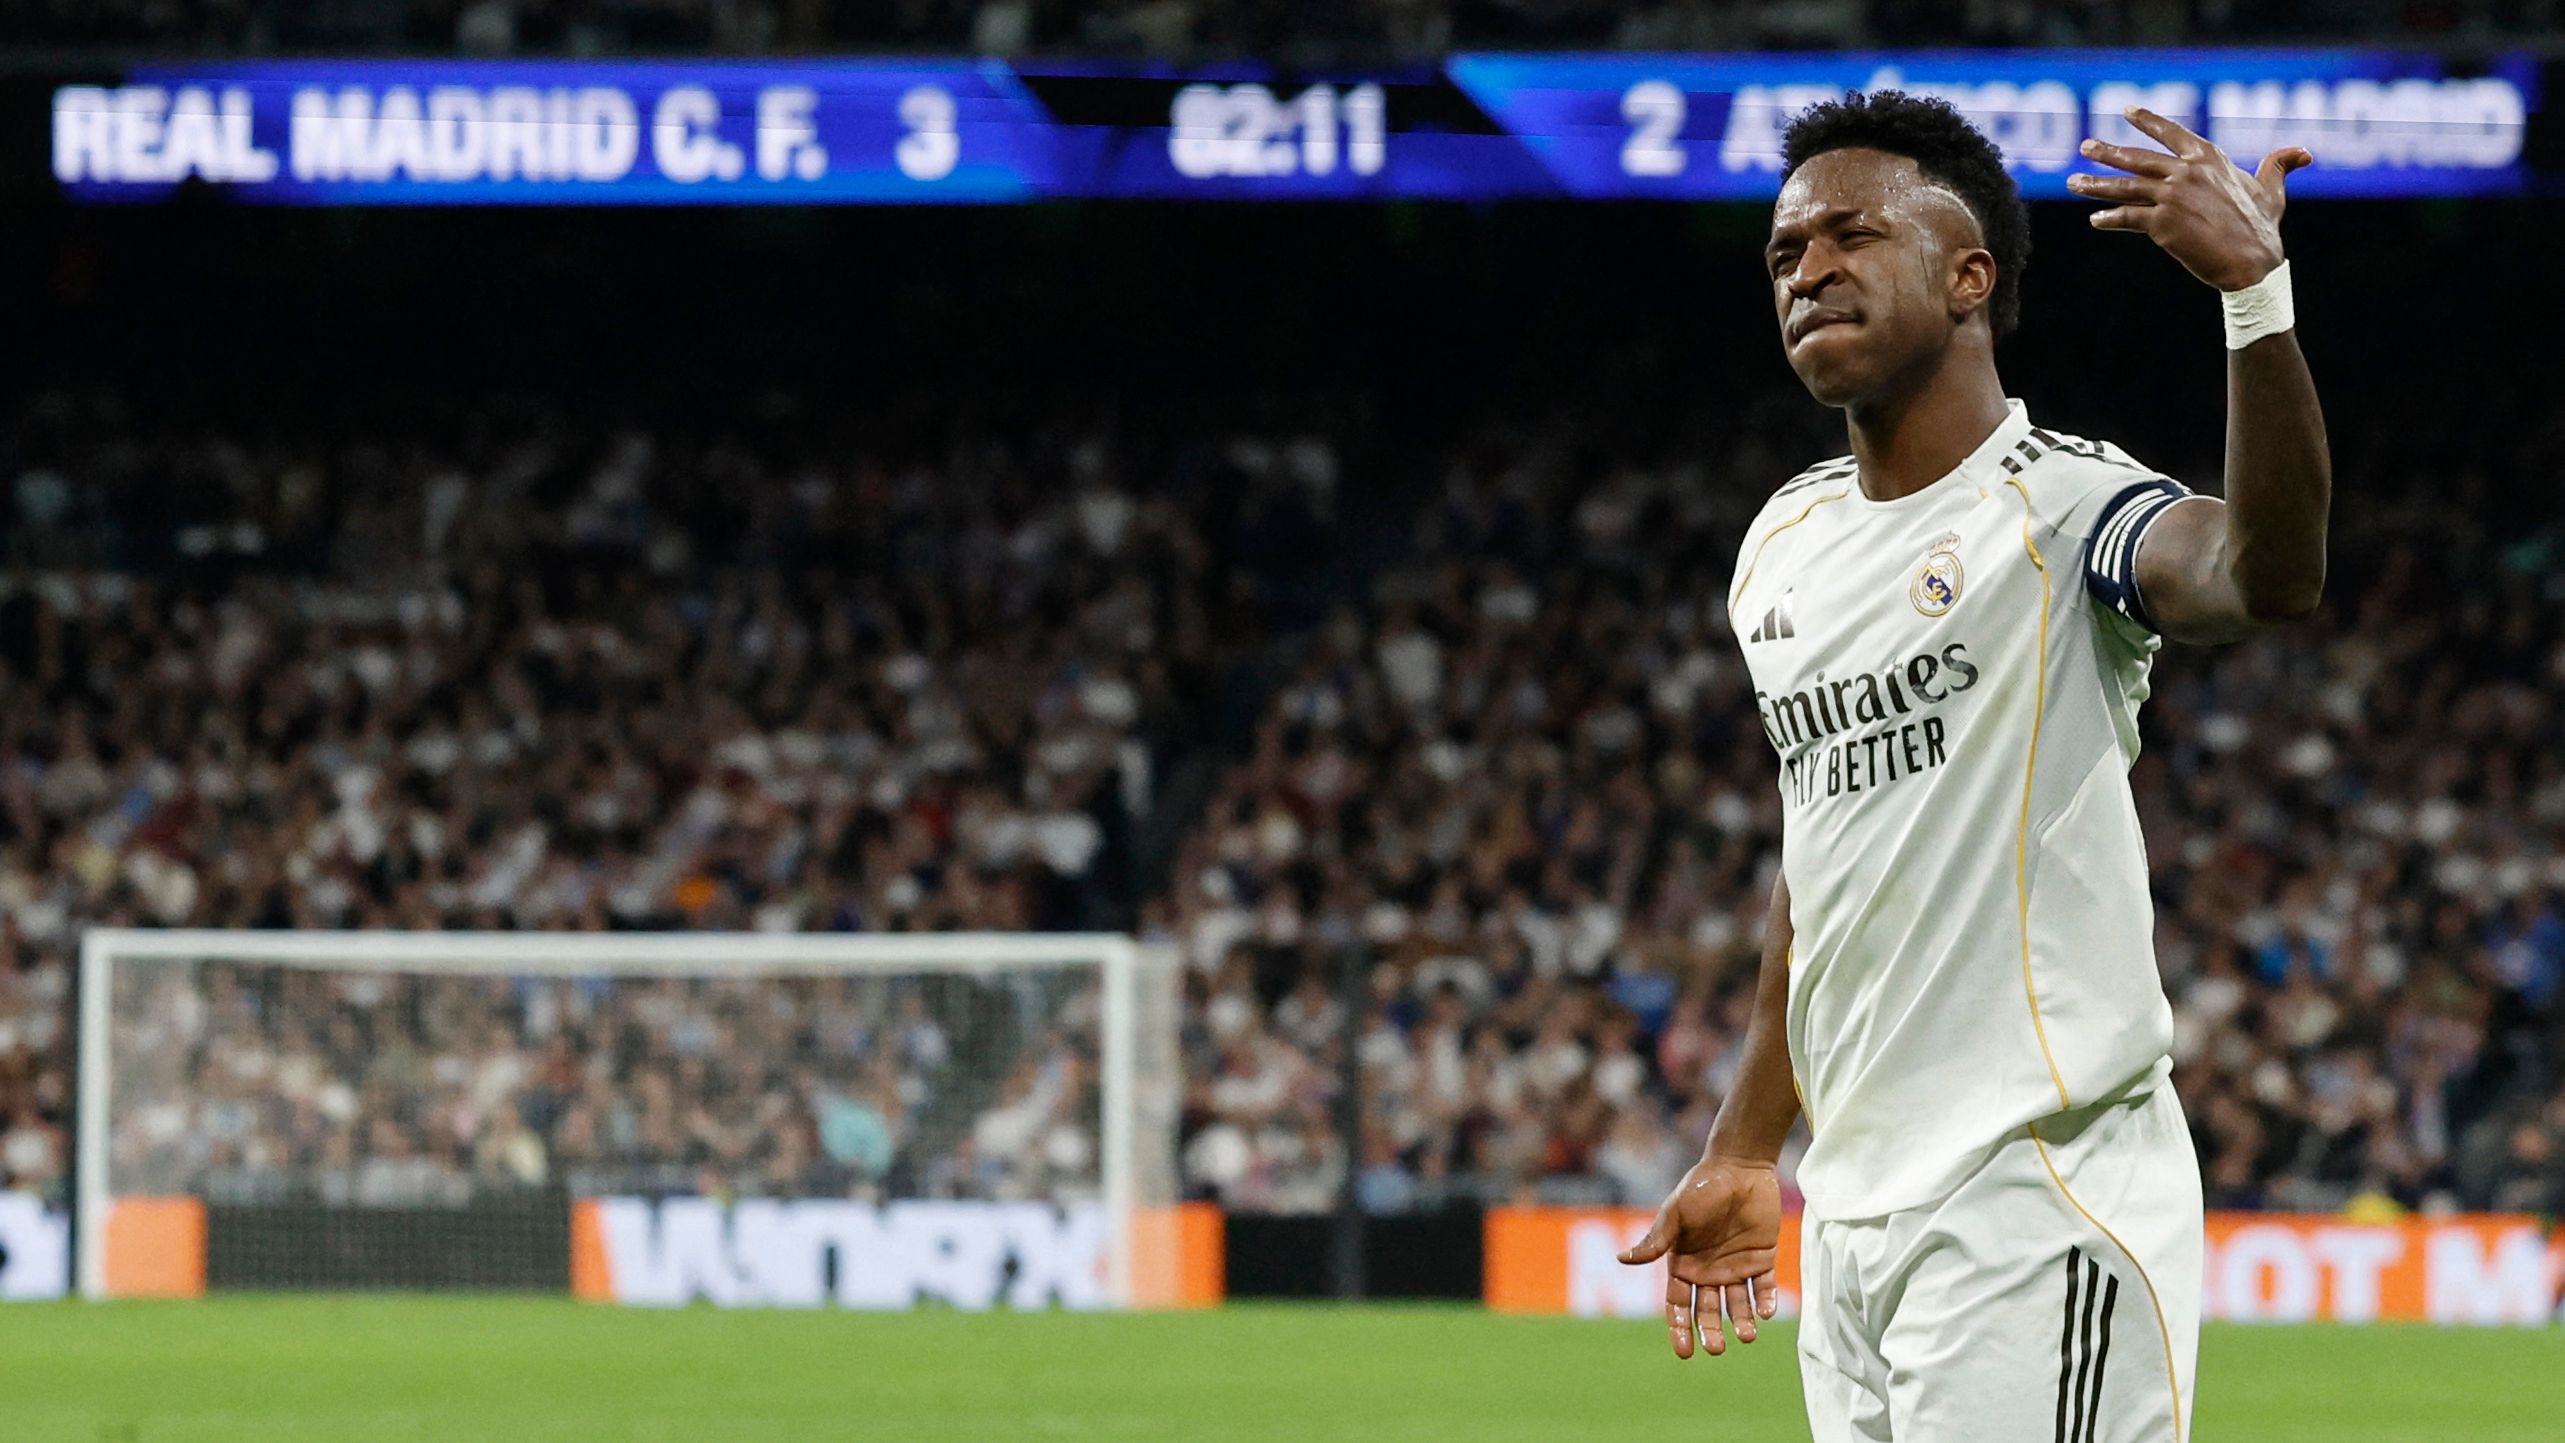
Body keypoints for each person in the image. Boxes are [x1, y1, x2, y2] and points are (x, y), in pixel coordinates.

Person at [1619, 91, 2329, 1443]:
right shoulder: (1782, 544)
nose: (1807, 269)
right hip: (1853, 1219)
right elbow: (1819, 874)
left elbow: (2263, 574)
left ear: (1967, 279)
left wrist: (2253, 296)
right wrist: (1748, 1141)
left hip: (2033, 1194)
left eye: (1848, 236)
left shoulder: (2063, 508)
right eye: (1782, 253)